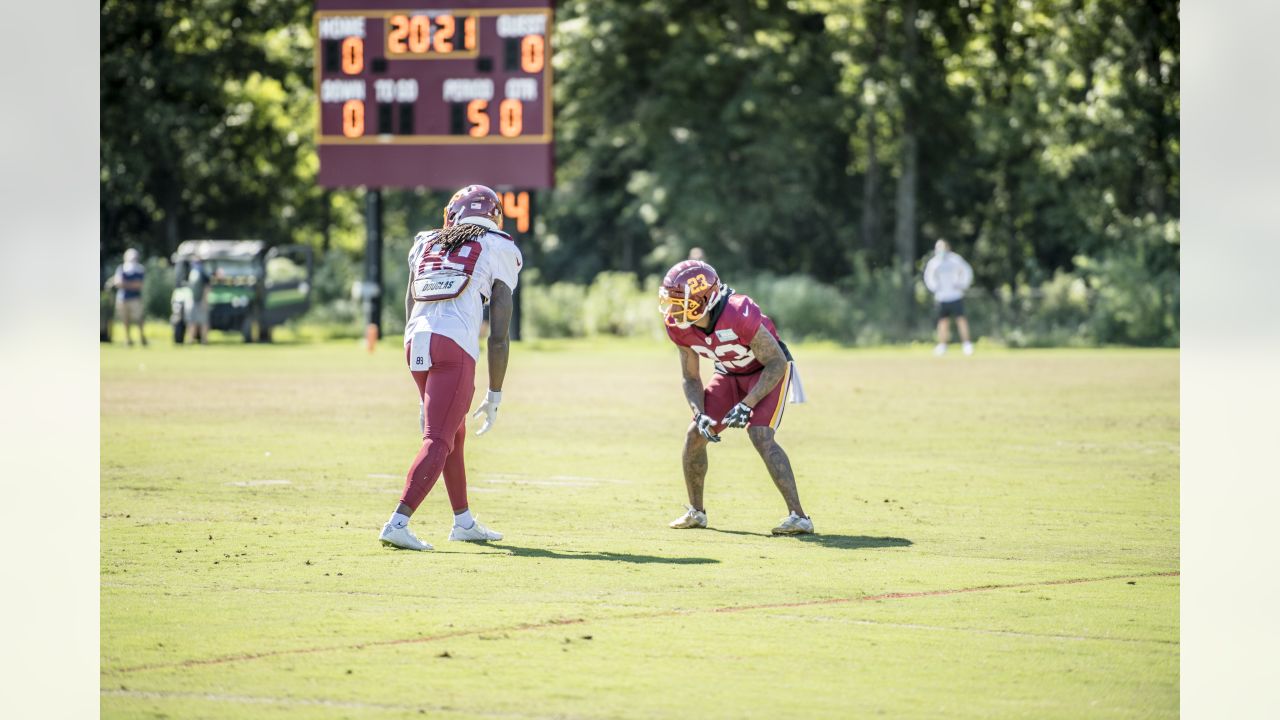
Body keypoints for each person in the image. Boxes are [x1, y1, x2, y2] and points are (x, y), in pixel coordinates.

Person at [379, 185, 524, 551]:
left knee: (452, 434)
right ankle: (399, 521)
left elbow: (411, 300)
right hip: (454, 344)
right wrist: (495, 393)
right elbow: (499, 335)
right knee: (439, 439)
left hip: (416, 342)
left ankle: (463, 522)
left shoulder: (426, 241)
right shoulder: (499, 245)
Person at [659, 260, 813, 535]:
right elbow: (691, 376)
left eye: (678, 301)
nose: (672, 309)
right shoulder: (679, 326)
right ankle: (696, 512)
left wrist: (748, 404)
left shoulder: (737, 312)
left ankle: (799, 517)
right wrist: (699, 412)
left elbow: (776, 361)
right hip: (729, 373)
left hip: (767, 372)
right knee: (696, 432)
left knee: (760, 434)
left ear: (702, 300)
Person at [923, 240, 974, 356]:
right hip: (942, 297)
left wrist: (962, 284)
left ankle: (967, 344)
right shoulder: (934, 262)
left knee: (961, 320)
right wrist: (935, 287)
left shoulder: (955, 260)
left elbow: (967, 271)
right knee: (942, 322)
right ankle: (942, 345)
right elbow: (928, 277)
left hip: (955, 296)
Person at [111, 249, 148, 346]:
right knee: (125, 320)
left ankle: (142, 337)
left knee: (139, 318)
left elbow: (139, 285)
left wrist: (125, 284)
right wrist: (131, 284)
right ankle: (127, 339)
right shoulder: (121, 268)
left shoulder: (139, 269)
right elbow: (118, 283)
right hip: (122, 298)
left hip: (135, 298)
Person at [186, 258, 211, 345]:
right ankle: (191, 339)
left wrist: (205, 300)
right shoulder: (192, 273)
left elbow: (207, 288)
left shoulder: (203, 273)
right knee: (192, 320)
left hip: (201, 301)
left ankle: (204, 340)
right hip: (193, 300)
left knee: (203, 321)